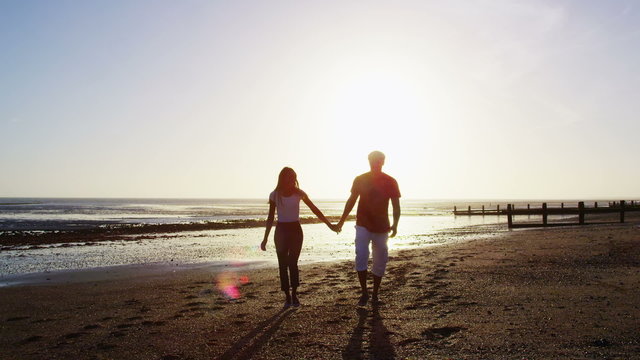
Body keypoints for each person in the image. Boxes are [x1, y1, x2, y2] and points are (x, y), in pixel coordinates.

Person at [261, 167, 339, 308]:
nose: (292, 180)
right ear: (282, 178)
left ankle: (295, 294)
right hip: (281, 231)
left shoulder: (299, 194)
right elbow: (270, 217)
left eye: (294, 177)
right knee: (282, 265)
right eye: (289, 177)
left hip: (296, 230)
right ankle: (287, 296)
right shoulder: (274, 195)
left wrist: (329, 225)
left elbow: (315, 209)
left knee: (293, 263)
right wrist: (265, 238)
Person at [337, 151, 401, 306]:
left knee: (380, 259)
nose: (375, 163)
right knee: (361, 254)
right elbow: (351, 201)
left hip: (381, 226)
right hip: (363, 225)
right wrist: (341, 221)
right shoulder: (360, 179)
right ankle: (364, 292)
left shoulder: (390, 181)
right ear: (369, 161)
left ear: (383, 162)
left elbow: (396, 205)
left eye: (378, 160)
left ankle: (375, 294)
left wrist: (395, 224)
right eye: (373, 160)